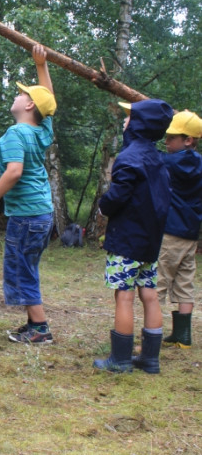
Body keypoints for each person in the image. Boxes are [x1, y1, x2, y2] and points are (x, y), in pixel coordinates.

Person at [0, 44, 57, 345]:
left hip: (26, 215)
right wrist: (41, 65)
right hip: (41, 213)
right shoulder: (40, 131)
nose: (17, 94)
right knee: (28, 266)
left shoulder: (16, 134)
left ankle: (40, 328)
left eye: (22, 94)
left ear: (29, 106)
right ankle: (33, 323)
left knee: (22, 269)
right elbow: (49, 102)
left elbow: (13, 172)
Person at [93, 98, 174, 374]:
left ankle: (120, 360)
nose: (125, 120)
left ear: (139, 123)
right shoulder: (158, 159)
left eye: (129, 116)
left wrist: (104, 206)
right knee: (149, 294)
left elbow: (119, 195)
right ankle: (150, 359)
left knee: (124, 296)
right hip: (150, 242)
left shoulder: (129, 157)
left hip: (127, 241)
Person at [156, 110, 202, 349]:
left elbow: (149, 158)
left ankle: (151, 335)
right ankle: (183, 337)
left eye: (171, 137)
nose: (166, 141)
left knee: (157, 283)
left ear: (188, 140)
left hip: (169, 233)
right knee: (185, 283)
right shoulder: (200, 163)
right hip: (190, 234)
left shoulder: (168, 162)